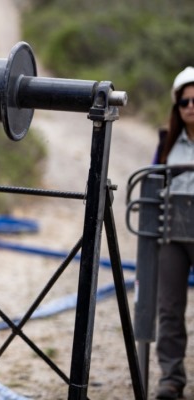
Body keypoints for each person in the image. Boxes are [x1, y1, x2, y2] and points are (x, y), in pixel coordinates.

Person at [153, 66, 194, 400]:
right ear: (177, 106)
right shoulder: (167, 142)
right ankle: (171, 377)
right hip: (174, 235)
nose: (191, 106)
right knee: (169, 308)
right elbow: (152, 184)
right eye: (185, 101)